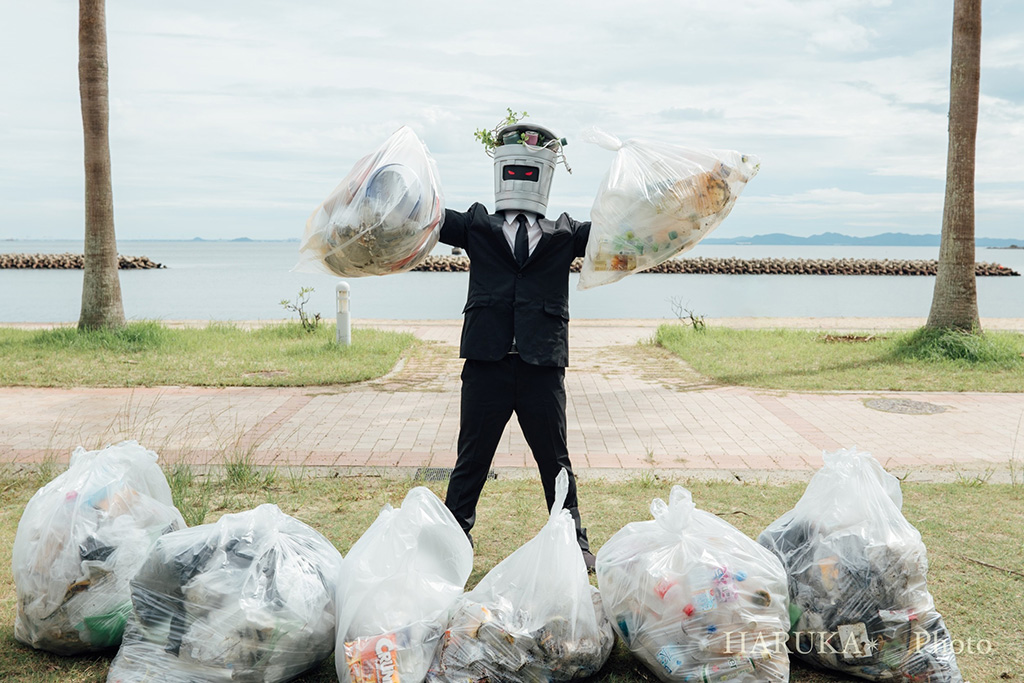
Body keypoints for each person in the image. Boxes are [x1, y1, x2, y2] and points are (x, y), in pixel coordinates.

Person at [438, 121, 596, 570]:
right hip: (486, 363)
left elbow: (618, 234)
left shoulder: (565, 232)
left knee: (556, 461)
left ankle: (575, 544)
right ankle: (450, 544)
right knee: (471, 459)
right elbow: (428, 218)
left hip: (540, 365)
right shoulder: (477, 225)